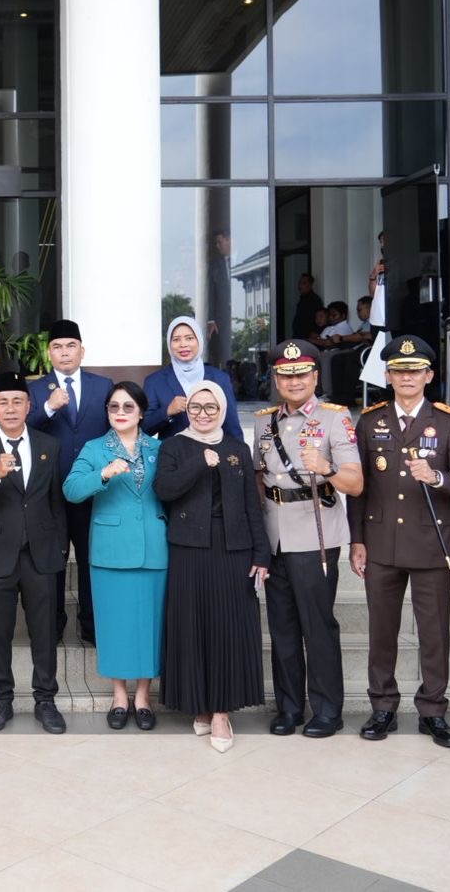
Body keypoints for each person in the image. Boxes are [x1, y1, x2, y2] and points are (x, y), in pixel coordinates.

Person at [347, 336, 450, 749]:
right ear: (388, 376)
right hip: (381, 542)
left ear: (429, 375)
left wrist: (437, 477)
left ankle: (433, 710)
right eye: (399, 371)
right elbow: (359, 487)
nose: (407, 377)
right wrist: (357, 540)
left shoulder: (449, 421)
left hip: (431, 543)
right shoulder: (370, 420)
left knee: (434, 633)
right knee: (381, 631)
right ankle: (383, 705)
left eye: (415, 370)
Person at [254, 339, 363, 738]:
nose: (294, 381)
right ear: (276, 379)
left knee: (317, 627)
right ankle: (289, 708)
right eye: (286, 375)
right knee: (282, 629)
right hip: (275, 536)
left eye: (301, 374)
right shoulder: (264, 422)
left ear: (315, 377)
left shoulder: (335, 418)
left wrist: (327, 467)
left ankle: (328, 710)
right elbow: (259, 478)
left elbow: (355, 482)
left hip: (315, 534)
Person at [157, 380, 270, 753]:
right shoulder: (174, 446)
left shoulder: (237, 448)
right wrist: (198, 463)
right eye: (195, 407)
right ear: (187, 410)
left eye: (211, 407)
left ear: (222, 410)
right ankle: (200, 704)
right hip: (188, 548)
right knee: (193, 627)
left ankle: (221, 711)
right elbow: (164, 490)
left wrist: (261, 554)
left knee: (226, 628)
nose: (203, 414)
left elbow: (252, 504)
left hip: (232, 547)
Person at [0, 370, 69, 734]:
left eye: (17, 401)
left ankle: (46, 700)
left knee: (44, 632)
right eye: (3, 402)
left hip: (41, 554)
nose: (10, 408)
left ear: (29, 406)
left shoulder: (48, 445)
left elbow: (56, 502)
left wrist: (59, 548)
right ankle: (1, 701)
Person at [63, 381, 167, 732]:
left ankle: (143, 697)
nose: (120, 413)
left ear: (142, 412)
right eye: (114, 407)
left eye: (128, 407)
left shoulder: (159, 448)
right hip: (110, 550)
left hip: (154, 547)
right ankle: (119, 696)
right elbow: (71, 489)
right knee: (115, 625)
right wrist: (103, 474)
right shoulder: (95, 448)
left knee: (150, 624)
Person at [27, 318, 112, 643]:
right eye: (58, 347)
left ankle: (91, 625)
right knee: (53, 562)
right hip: (50, 493)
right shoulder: (35, 390)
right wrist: (48, 408)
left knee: (92, 560)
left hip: (92, 491)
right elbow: (22, 429)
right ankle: (53, 625)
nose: (65, 352)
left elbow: (114, 430)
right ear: (49, 353)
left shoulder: (102, 386)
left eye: (71, 346)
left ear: (82, 351)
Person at [143, 315, 242, 442]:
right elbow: (144, 428)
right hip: (172, 453)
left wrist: (239, 452)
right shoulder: (155, 382)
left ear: (199, 341)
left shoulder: (219, 378)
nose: (183, 344)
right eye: (176, 339)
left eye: (189, 338)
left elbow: (232, 426)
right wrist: (167, 411)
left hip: (214, 452)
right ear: (169, 344)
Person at [289, 273, 324, 341]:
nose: (300, 286)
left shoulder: (314, 300)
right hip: (299, 336)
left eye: (304, 283)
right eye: (299, 283)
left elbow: (312, 320)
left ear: (310, 285)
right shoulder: (303, 299)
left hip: (307, 337)